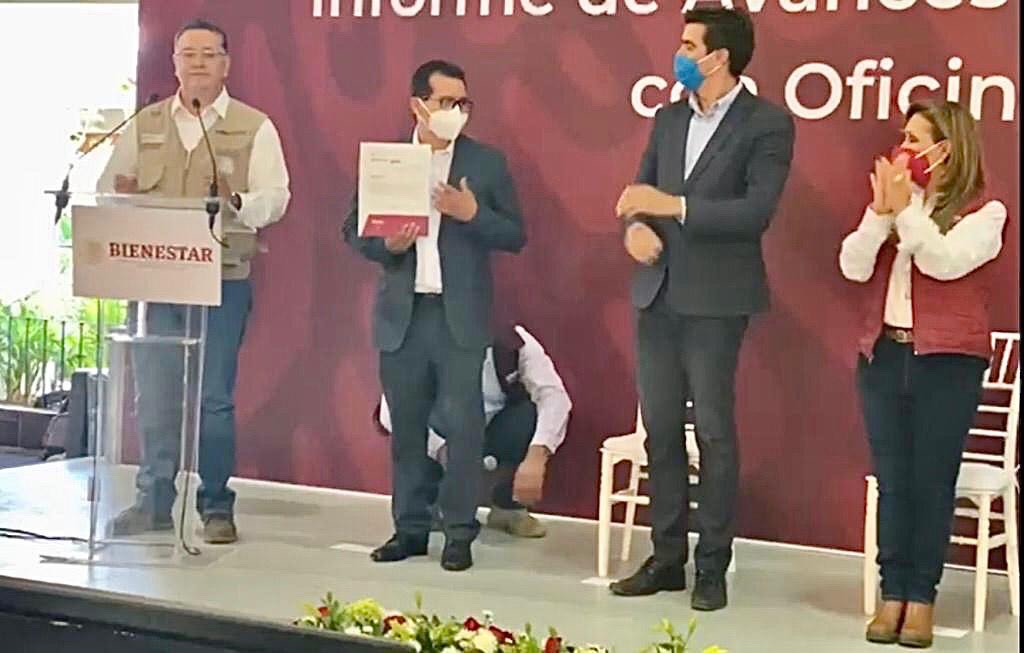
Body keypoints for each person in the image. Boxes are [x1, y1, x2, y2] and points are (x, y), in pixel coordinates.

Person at [609, 4, 795, 611]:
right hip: (657, 293)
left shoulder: (767, 124)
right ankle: (666, 558)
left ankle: (712, 564)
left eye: (690, 46)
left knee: (713, 432)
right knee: (661, 432)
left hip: (717, 299)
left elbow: (755, 212)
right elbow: (638, 195)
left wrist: (674, 207)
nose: (680, 55)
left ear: (720, 57)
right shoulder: (668, 119)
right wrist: (636, 227)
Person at [97, 19, 291, 544]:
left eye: (209, 54)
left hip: (221, 278)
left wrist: (237, 201)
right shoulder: (145, 123)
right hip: (154, 278)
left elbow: (276, 198)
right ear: (175, 63)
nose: (198, 62)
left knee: (214, 399)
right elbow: (107, 188)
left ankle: (216, 505)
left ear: (226, 63)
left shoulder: (254, 127)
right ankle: (154, 501)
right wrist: (121, 195)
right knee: (155, 396)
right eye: (189, 54)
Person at [343, 60, 526, 572]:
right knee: (407, 430)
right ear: (417, 106)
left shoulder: (485, 164)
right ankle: (409, 530)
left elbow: (515, 234)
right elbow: (352, 230)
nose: (456, 112)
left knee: (465, 429)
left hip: (458, 316)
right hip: (403, 317)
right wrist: (387, 246)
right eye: (446, 102)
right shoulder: (388, 161)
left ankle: (460, 533)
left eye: (463, 103)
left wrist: (473, 214)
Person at [839, 100, 1007, 649]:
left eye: (915, 139)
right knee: (893, 482)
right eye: (903, 137)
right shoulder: (896, 204)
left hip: (948, 363)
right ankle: (892, 593)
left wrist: (906, 210)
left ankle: (921, 598)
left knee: (932, 483)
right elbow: (853, 266)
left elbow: (943, 261)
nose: (903, 149)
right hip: (884, 357)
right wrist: (879, 214)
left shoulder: (986, 213)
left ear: (947, 149)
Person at [375, 323, 572, 538]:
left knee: (527, 415)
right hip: (442, 431)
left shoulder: (513, 342)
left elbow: (555, 397)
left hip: (492, 428)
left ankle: (508, 508)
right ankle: (432, 507)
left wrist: (537, 456)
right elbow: (390, 411)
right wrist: (441, 450)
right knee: (411, 431)